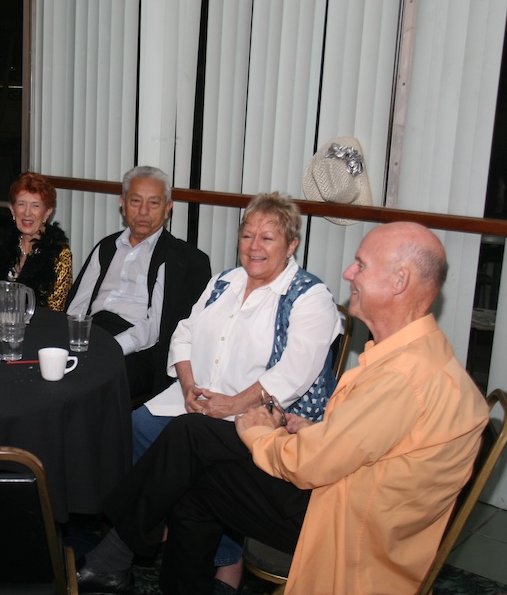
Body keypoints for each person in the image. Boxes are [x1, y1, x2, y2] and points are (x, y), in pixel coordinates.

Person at [75, 222, 489, 595]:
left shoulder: (402, 377)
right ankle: (128, 555)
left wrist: (259, 431)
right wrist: (308, 427)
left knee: (192, 449)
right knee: (191, 460)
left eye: (361, 265)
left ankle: (115, 550)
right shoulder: (419, 355)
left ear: (400, 281)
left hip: (345, 523)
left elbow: (309, 466)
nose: (349, 274)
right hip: (349, 491)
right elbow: (376, 445)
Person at [131, 192, 341, 592]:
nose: (254, 247)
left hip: (264, 418)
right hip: (200, 398)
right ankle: (194, 541)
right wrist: (190, 386)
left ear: (291, 245)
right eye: (247, 236)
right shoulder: (225, 280)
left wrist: (233, 404)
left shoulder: (310, 297)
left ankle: (149, 539)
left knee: (198, 456)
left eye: (267, 238)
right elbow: (185, 332)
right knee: (138, 425)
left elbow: (293, 374)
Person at [66, 166, 212, 400]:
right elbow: (78, 305)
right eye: (136, 201)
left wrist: (112, 348)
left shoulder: (181, 259)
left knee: (95, 388)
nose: (143, 211)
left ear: (168, 208)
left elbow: (154, 327)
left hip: (137, 348)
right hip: (92, 334)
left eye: (154, 203)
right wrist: (77, 339)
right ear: (123, 204)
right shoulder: (106, 247)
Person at [0, 172, 72, 311]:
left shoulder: (60, 253)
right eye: (21, 204)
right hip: (2, 324)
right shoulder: (5, 245)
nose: (27, 213)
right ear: (12, 210)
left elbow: (55, 310)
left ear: (47, 212)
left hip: (39, 327)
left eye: (35, 206)